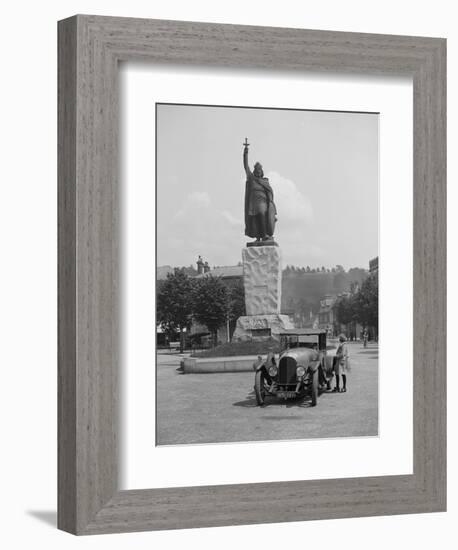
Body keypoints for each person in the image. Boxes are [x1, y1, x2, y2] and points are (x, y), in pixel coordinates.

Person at [243, 139, 277, 243]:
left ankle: (265, 235)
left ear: (261, 172)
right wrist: (245, 153)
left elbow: (269, 193)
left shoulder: (264, 181)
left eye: (259, 170)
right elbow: (246, 166)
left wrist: (271, 203)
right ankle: (259, 238)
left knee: (262, 214)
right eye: (256, 170)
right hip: (253, 203)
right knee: (255, 220)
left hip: (262, 202)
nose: (258, 172)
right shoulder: (251, 178)